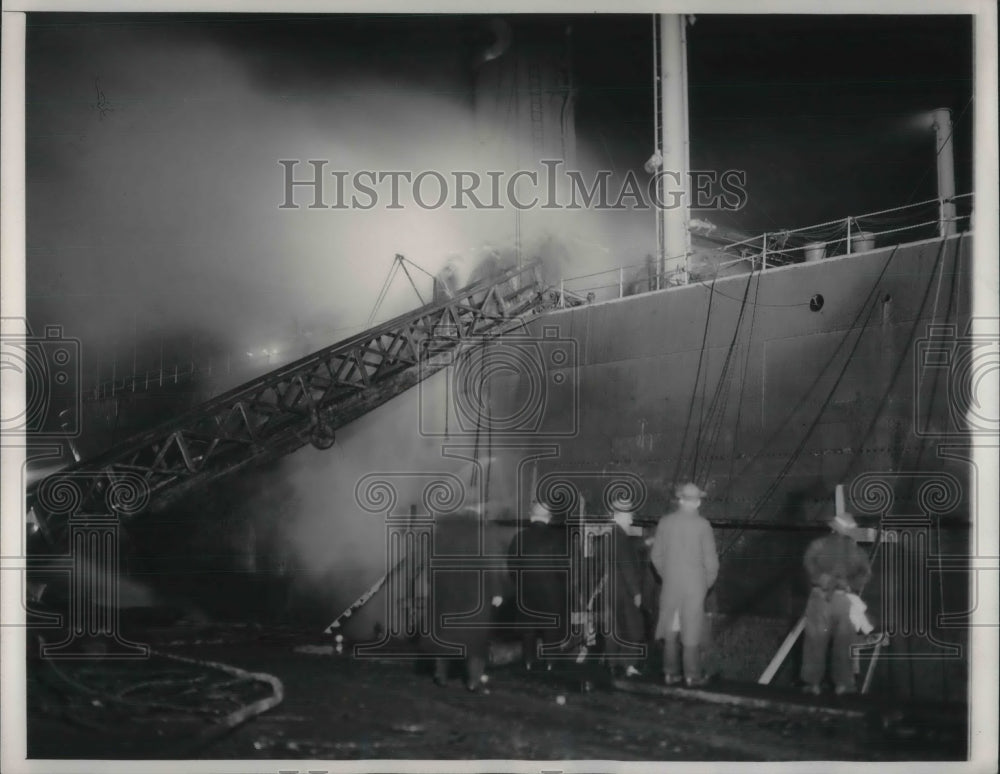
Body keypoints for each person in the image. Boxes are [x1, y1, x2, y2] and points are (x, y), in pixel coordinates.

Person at [422, 509, 505, 692]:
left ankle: (440, 675)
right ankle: (473, 680)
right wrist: (497, 592)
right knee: (475, 638)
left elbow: (430, 567)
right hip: (476, 593)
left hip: (446, 592)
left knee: (444, 635)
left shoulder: (441, 534)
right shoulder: (483, 534)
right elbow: (492, 563)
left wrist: (434, 586)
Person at [651, 482, 719, 687]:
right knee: (691, 630)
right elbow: (712, 563)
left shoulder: (665, 522)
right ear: (698, 502)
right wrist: (703, 585)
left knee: (671, 630)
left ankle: (670, 674)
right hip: (694, 587)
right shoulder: (703, 525)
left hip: (671, 585)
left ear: (679, 500)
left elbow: (655, 557)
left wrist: (668, 576)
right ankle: (692, 676)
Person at [800, 511, 873, 696]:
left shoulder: (819, 545)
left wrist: (821, 578)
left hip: (823, 598)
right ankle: (843, 685)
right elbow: (865, 573)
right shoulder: (855, 551)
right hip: (838, 599)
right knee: (842, 642)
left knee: (817, 641)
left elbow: (808, 563)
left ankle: (813, 684)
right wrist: (849, 584)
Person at [507, 501, 570, 671]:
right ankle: (550, 664)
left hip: (526, 592)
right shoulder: (557, 538)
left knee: (528, 630)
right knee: (551, 630)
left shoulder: (519, 537)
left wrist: (521, 583)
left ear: (531, 516)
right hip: (551, 593)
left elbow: (512, 567)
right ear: (549, 518)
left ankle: (528, 663)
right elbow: (564, 568)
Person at [600, 495, 646, 679]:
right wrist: (636, 592)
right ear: (620, 515)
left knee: (614, 629)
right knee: (634, 626)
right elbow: (627, 565)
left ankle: (612, 665)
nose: (631, 519)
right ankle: (629, 666)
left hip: (608, 589)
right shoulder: (620, 535)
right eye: (629, 516)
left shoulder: (606, 533)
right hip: (622, 590)